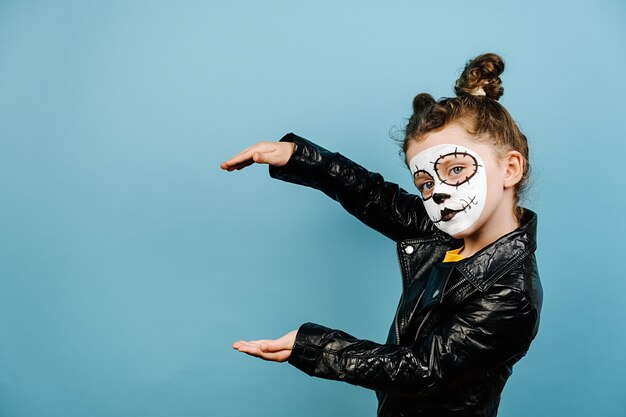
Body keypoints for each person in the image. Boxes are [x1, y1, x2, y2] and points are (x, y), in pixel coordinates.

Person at [220, 52, 543, 417]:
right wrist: (299, 156)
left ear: (510, 169)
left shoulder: (511, 295)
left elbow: (422, 368)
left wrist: (317, 347)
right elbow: (376, 197)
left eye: (455, 169)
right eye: (424, 182)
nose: (437, 192)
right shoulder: (444, 232)